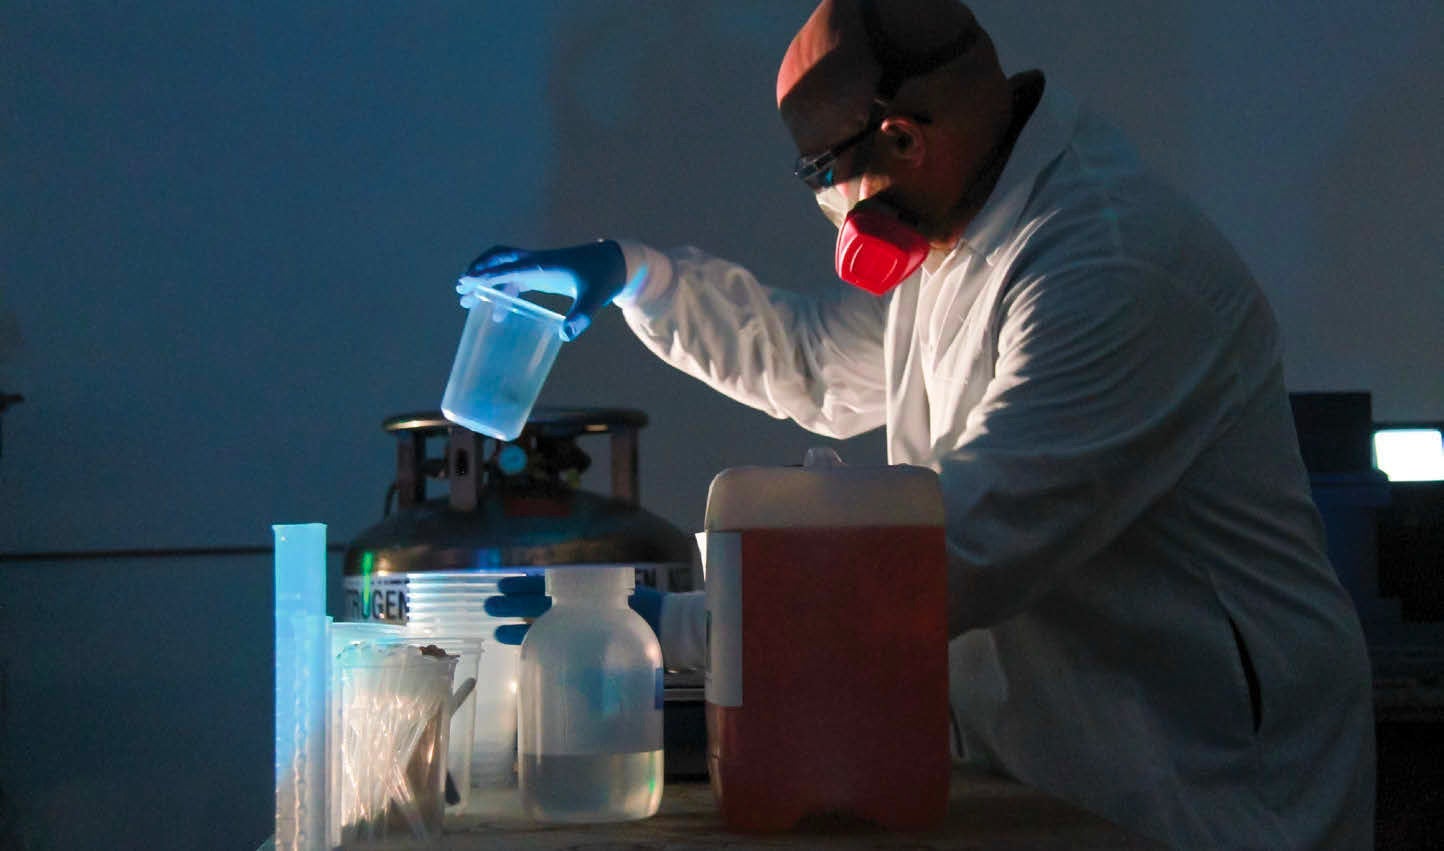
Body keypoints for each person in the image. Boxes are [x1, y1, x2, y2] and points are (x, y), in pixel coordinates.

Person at [469, 1, 1376, 847]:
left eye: (826, 177)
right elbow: (818, 362)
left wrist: (662, 627)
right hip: (1051, 764)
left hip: (1202, 783)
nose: (832, 208)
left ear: (902, 138)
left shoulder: (1107, 265)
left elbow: (953, 559)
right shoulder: (964, 239)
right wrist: (640, 276)